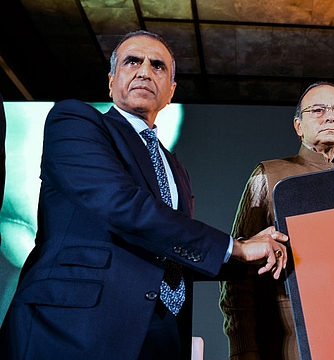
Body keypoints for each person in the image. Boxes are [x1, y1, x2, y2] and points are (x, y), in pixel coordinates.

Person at [0, 30, 289, 360]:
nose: (144, 71)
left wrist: (252, 252)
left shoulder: (174, 165)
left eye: (158, 66)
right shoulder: (75, 122)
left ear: (170, 91)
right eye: (132, 62)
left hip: (160, 336)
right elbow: (121, 204)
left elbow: (170, 253)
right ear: (111, 80)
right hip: (74, 330)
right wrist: (236, 247)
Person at [219, 81, 334, 360]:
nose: (331, 116)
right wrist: (243, 350)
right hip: (288, 345)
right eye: (318, 109)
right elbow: (237, 274)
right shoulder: (268, 174)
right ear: (298, 126)